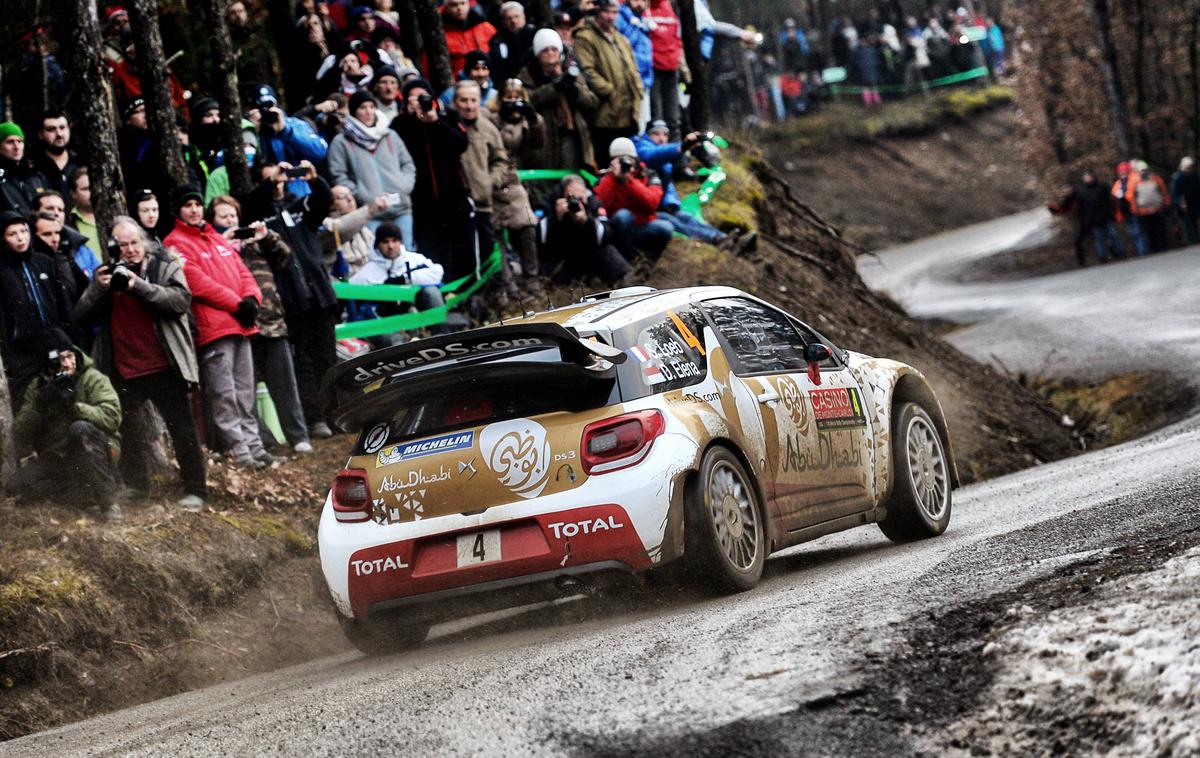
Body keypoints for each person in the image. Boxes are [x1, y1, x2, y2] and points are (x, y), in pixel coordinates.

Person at [75, 216, 209, 510]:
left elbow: (179, 302)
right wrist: (99, 288)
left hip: (164, 363)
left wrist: (139, 286)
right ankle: (138, 486)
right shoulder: (105, 275)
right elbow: (81, 314)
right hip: (123, 365)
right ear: (114, 247)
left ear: (144, 242)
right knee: (128, 431)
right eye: (123, 245)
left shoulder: (163, 264)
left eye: (134, 242)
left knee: (182, 428)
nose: (130, 250)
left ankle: (196, 489)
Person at [164, 185, 270, 468]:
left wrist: (252, 299)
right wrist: (238, 304)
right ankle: (240, 452)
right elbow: (197, 282)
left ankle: (256, 449)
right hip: (215, 329)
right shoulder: (174, 242)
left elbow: (243, 272)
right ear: (179, 210)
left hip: (241, 324)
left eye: (197, 204)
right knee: (225, 394)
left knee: (246, 391)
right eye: (187, 205)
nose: (194, 209)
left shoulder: (216, 237)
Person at [207, 196, 313, 456]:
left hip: (273, 323)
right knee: (245, 393)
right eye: (223, 217)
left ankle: (298, 436)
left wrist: (266, 237)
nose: (230, 221)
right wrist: (225, 243)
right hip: (241, 328)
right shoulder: (216, 248)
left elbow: (286, 259)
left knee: (285, 385)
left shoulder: (257, 243)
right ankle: (262, 441)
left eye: (233, 215)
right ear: (214, 221)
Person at [244, 161, 339, 439]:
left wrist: (313, 179)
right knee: (304, 363)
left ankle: (337, 414)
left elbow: (324, 201)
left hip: (318, 294)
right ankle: (315, 418)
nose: (279, 182)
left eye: (282, 177)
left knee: (328, 358)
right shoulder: (259, 215)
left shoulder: (299, 206)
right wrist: (268, 183)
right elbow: (249, 209)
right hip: (290, 299)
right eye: (272, 179)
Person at [6, 329, 122, 520]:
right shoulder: (38, 387)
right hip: (58, 458)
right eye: (60, 360)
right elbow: (21, 433)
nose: (67, 364)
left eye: (70, 356)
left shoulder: (92, 378)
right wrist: (40, 405)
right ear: (49, 365)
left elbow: (112, 416)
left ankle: (108, 503)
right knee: (16, 487)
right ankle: (80, 496)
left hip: (97, 451)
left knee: (80, 430)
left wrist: (76, 408)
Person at [391, 78, 475, 279]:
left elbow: (461, 143)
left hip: (452, 195)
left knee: (460, 245)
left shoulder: (447, 116)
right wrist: (412, 118)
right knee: (430, 247)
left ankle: (465, 291)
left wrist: (434, 121)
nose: (420, 102)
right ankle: (438, 289)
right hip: (421, 200)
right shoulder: (400, 123)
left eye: (423, 97)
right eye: (414, 98)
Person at [0, 211, 78, 409]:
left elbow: (63, 305)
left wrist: (69, 338)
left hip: (55, 343)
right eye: (12, 234)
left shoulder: (44, 262)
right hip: (23, 355)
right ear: (3, 238)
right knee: (34, 406)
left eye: (24, 231)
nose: (20, 238)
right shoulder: (2, 271)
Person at [327, 90, 417, 247]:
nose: (368, 112)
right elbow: (338, 175)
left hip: (400, 208)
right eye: (363, 108)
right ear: (354, 111)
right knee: (375, 257)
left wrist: (403, 187)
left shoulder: (390, 135)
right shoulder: (341, 141)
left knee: (406, 255)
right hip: (369, 212)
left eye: (371, 107)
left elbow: (407, 165)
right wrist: (360, 194)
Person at [488, 79, 544, 295]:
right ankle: (507, 282)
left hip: (512, 179)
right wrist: (502, 118)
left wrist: (532, 118)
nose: (513, 102)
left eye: (517, 97)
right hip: (492, 177)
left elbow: (539, 143)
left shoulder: (526, 119)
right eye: (508, 97)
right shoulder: (490, 117)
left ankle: (532, 278)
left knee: (527, 226)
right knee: (497, 232)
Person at [349, 221, 446, 346]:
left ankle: (440, 338)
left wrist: (406, 278)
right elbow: (355, 306)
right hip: (387, 325)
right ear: (377, 245)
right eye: (385, 242)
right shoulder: (367, 272)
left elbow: (438, 273)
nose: (390, 246)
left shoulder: (414, 259)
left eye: (394, 240)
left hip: (418, 316)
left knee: (432, 292)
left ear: (400, 242)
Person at [573, 0, 644, 165]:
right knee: (606, 159)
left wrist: (637, 89)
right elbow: (587, 71)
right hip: (604, 113)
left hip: (627, 111)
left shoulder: (620, 38)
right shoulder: (585, 37)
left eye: (614, 12)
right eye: (607, 12)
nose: (611, 17)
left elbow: (633, 68)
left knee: (627, 159)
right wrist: (609, 91)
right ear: (598, 12)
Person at [518, 29, 599, 172]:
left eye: (554, 49)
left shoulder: (571, 72)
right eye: (545, 50)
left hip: (571, 134)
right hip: (543, 138)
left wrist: (573, 89)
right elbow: (528, 100)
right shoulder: (527, 76)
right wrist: (555, 87)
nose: (550, 53)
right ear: (537, 54)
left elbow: (592, 102)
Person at [456, 80, 508, 284]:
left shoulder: (488, 128)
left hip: (483, 203)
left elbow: (501, 159)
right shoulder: (448, 125)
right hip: (456, 205)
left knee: (488, 250)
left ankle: (495, 294)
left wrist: (491, 182)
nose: (469, 105)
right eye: (464, 100)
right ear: (455, 101)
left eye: (473, 100)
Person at [537, 174, 630, 283]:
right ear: (562, 195)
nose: (576, 203)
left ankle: (624, 280)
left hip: (589, 252)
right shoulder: (550, 202)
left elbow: (607, 234)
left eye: (580, 198)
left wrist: (587, 221)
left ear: (586, 194)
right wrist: (555, 219)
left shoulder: (594, 203)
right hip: (561, 253)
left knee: (607, 250)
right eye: (572, 198)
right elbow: (538, 238)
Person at [595, 137, 672, 260]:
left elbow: (652, 204)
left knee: (666, 227)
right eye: (619, 159)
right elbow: (601, 205)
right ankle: (625, 260)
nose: (624, 163)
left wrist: (628, 181)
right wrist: (612, 177)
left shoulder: (647, 174)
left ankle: (647, 260)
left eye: (628, 158)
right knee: (623, 215)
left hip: (641, 226)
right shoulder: (606, 180)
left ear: (635, 159)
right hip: (617, 231)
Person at [248, 84, 329, 198]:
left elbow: (320, 152)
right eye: (261, 108)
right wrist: (252, 132)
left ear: (277, 105)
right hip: (267, 195)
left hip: (300, 192)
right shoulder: (248, 132)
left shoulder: (295, 125)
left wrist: (285, 131)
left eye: (270, 105)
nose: (267, 111)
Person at [1051, 170, 1124, 266]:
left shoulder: (1102, 187)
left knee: (1113, 235)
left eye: (1088, 177)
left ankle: (1120, 253)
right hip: (1093, 219)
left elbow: (1111, 200)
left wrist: (1113, 211)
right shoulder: (1082, 192)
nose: (1087, 179)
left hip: (1106, 216)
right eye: (1085, 177)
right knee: (1099, 238)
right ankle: (1102, 256)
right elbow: (1074, 206)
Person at [322, 185, 388, 277]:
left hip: (366, 282)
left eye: (350, 195)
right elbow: (340, 229)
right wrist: (370, 209)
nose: (350, 199)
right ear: (331, 203)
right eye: (342, 197)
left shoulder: (363, 228)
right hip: (339, 285)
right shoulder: (325, 224)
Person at [33, 191, 102, 278]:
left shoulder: (78, 245)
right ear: (35, 212)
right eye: (50, 208)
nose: (56, 213)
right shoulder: (27, 250)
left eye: (60, 210)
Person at [645, 0, 682, 141]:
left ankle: (676, 156)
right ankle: (657, 155)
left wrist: (677, 56)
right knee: (656, 117)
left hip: (672, 68)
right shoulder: (642, 6)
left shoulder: (670, 6)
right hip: (652, 69)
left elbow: (677, 36)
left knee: (674, 117)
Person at [0, 122, 47, 215]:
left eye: (19, 141)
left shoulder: (35, 174)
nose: (16, 147)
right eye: (10, 142)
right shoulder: (2, 179)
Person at [31, 111, 80, 200]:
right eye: (51, 129)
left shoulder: (80, 162)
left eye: (62, 128)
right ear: (41, 134)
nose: (59, 134)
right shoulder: (33, 168)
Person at [1126, 160, 1171, 253]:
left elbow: (1163, 191)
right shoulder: (1139, 179)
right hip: (1148, 210)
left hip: (1151, 209)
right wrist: (1135, 209)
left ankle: (1159, 248)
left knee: (1155, 230)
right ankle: (1158, 248)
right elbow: (1131, 197)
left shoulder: (1151, 178)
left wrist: (1166, 203)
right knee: (1153, 230)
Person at [441, 0, 497, 77]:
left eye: (463, 3)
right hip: (457, 81)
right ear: (445, 7)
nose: (459, 8)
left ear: (468, 4)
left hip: (486, 77)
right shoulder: (440, 33)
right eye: (454, 5)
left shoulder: (485, 27)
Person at [489, 1, 537, 85]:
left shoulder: (535, 35)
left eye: (516, 16)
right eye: (509, 18)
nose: (513, 21)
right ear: (503, 21)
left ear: (524, 17)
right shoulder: (498, 40)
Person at [1111, 161, 1148, 257]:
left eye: (1124, 172)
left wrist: (1125, 195)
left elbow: (1138, 194)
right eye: (1121, 172)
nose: (1123, 174)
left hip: (1134, 210)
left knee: (1139, 232)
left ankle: (1142, 253)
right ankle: (1140, 251)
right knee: (1133, 233)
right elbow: (1114, 198)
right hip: (1125, 213)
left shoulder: (1135, 179)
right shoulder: (1117, 185)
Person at [67, 167, 104, 257]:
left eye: (94, 187)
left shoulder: (112, 215)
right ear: (73, 193)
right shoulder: (68, 221)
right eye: (86, 189)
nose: (92, 192)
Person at [1170, 156, 1200, 246]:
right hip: (1183, 204)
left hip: (1194, 203)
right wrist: (1180, 203)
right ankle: (1191, 241)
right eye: (1187, 168)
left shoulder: (1194, 176)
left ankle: (1195, 240)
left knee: (1194, 223)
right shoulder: (1177, 177)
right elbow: (1175, 192)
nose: (1189, 169)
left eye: (1190, 167)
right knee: (1186, 225)